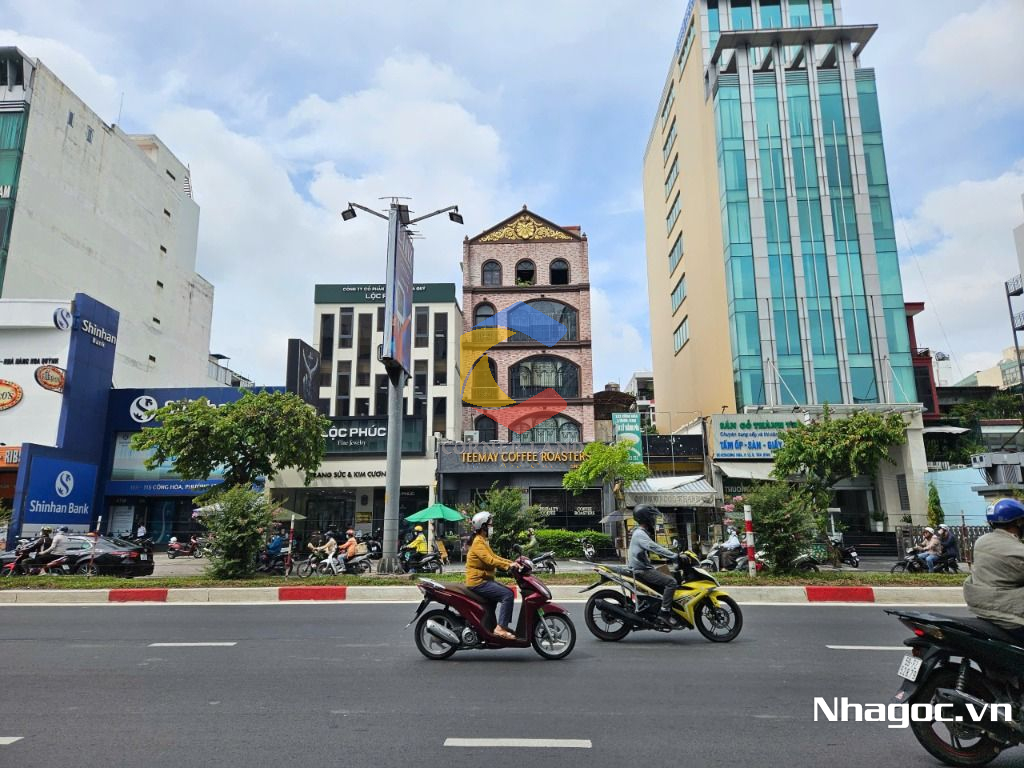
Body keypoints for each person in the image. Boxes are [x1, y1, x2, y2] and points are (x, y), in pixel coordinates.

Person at [963, 498, 1024, 644]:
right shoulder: (1015, 549)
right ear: (1017, 522)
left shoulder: (982, 541)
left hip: (983, 609)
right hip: (1007, 616)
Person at [466, 511, 521, 641]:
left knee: (500, 597)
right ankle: (500, 628)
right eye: (490, 524)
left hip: (484, 580)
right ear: (483, 526)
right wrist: (508, 566)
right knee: (507, 595)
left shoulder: (482, 541)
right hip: (478, 582)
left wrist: (512, 562)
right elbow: (490, 561)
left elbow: (494, 557)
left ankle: (491, 627)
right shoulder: (478, 543)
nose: (492, 527)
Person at [628, 505, 681, 625]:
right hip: (642, 570)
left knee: (667, 574)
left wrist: (667, 555)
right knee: (671, 582)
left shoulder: (640, 532)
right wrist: (673, 556)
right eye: (652, 516)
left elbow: (654, 548)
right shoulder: (640, 534)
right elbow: (654, 547)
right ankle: (664, 612)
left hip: (643, 568)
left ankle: (661, 605)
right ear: (646, 518)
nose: (654, 519)